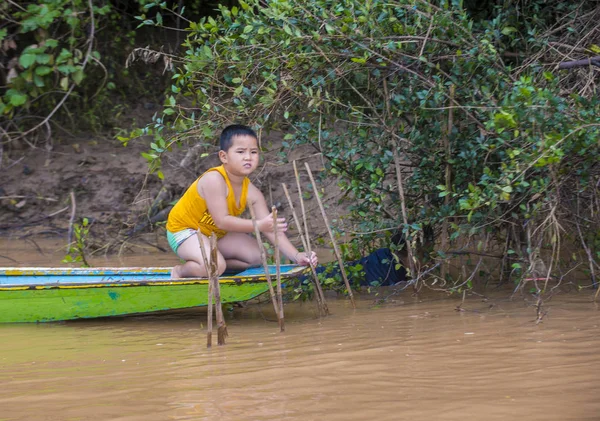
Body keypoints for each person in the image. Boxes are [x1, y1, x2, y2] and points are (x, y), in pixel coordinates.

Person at [166, 124, 317, 278]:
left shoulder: (252, 192)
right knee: (214, 266)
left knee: (258, 257)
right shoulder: (214, 179)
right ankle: (181, 270)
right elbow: (222, 221)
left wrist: (297, 256)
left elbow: (269, 227)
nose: (248, 157)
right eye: (240, 152)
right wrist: (258, 225)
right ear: (224, 156)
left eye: (253, 152)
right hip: (185, 230)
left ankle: (215, 264)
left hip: (214, 235)